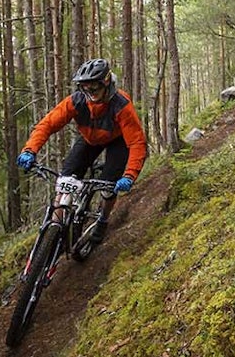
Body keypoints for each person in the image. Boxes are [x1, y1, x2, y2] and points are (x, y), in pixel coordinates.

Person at [16, 58, 147, 244]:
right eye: (85, 88)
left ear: (106, 83)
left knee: (108, 187)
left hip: (118, 141)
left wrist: (129, 175)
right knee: (64, 183)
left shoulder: (121, 105)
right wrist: (30, 150)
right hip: (89, 140)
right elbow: (47, 124)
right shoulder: (76, 101)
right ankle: (52, 235)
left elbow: (136, 143)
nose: (90, 93)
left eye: (94, 88)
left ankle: (102, 220)